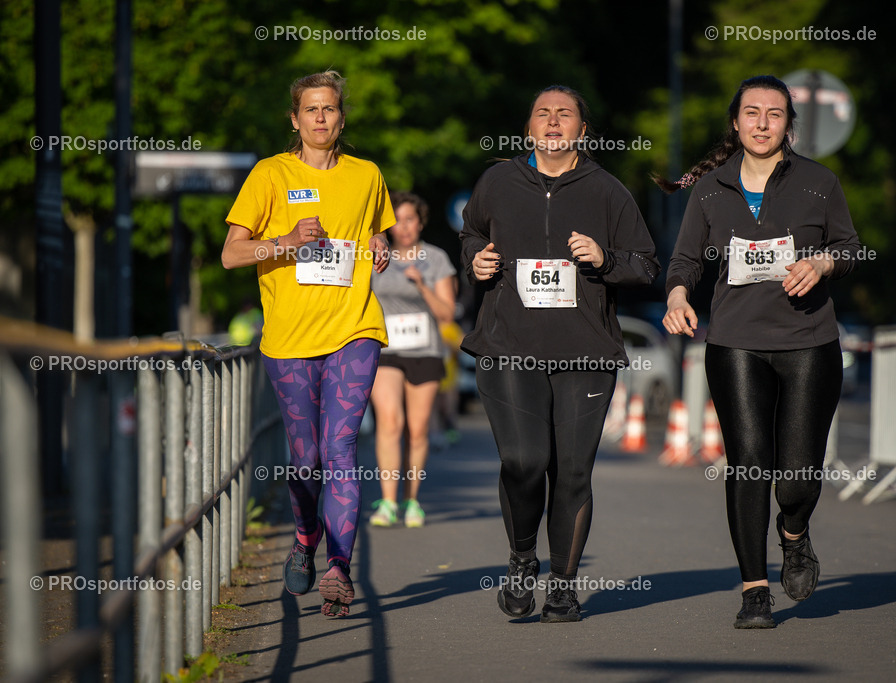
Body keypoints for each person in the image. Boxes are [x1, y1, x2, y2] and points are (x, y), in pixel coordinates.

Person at [660, 75, 862, 628]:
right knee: (749, 465)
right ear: (736, 122)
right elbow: (684, 262)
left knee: (796, 477)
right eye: (752, 112)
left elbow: (850, 248)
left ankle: (793, 534)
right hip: (735, 344)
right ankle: (754, 591)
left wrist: (821, 263)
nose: (762, 123)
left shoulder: (819, 183)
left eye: (774, 114)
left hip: (808, 343)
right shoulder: (710, 190)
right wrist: (678, 294)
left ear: (788, 124)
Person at [461, 85, 660, 622]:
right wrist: (476, 259)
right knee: (524, 461)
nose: (552, 122)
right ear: (528, 129)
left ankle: (565, 586)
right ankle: (523, 558)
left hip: (584, 352)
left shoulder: (608, 191)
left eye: (564, 115)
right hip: (509, 347)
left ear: (582, 132)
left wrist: (604, 258)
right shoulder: (498, 181)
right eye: (542, 114)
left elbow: (645, 264)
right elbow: (472, 234)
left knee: (572, 472)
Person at [221, 70, 394, 617]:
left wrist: (380, 244)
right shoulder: (270, 174)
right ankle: (304, 539)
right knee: (305, 458)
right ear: (295, 120)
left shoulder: (367, 175)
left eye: (330, 109)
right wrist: (288, 242)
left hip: (354, 326)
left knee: (341, 450)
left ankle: (340, 569)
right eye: (310, 110)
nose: (321, 118)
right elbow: (231, 254)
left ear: (342, 119)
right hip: (290, 336)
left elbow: (374, 230)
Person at [368, 192, 457, 528]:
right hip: (386, 350)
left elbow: (447, 314)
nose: (403, 227)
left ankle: (412, 500)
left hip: (425, 350)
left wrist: (422, 286)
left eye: (410, 220)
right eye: (397, 220)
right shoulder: (377, 256)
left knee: (418, 430)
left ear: (421, 222)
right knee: (390, 422)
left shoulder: (435, 259)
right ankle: (388, 502)